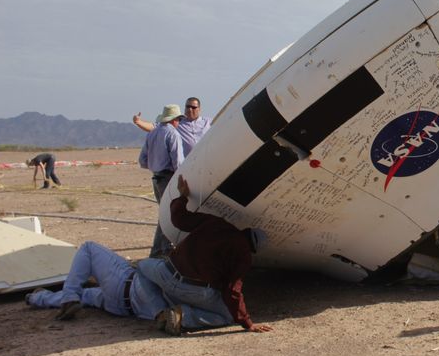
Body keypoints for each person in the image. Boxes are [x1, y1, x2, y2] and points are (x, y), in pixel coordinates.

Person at [136, 175, 273, 335]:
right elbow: (232, 291)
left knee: (141, 267)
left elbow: (179, 219)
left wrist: (183, 196)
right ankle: (183, 317)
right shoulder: (243, 256)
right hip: (195, 291)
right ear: (253, 249)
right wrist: (247, 322)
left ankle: (159, 312)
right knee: (227, 316)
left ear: (245, 230)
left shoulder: (216, 223)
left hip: (166, 273)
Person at [25, 241, 168, 322]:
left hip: (125, 286)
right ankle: (38, 297)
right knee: (87, 295)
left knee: (89, 248)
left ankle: (68, 296)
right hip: (131, 309)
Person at [139, 105, 185, 258]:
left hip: (156, 177)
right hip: (167, 177)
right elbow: (178, 161)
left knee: (164, 213)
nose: (179, 122)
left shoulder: (152, 134)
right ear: (174, 120)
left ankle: (161, 249)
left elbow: (142, 160)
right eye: (178, 119)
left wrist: (155, 165)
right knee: (168, 214)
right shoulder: (173, 134)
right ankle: (161, 250)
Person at [134, 97, 211, 157]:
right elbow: (154, 127)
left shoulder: (208, 122)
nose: (190, 109)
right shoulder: (177, 122)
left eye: (193, 107)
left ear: (199, 109)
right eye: (188, 107)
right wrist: (138, 122)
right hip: (186, 165)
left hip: (205, 161)